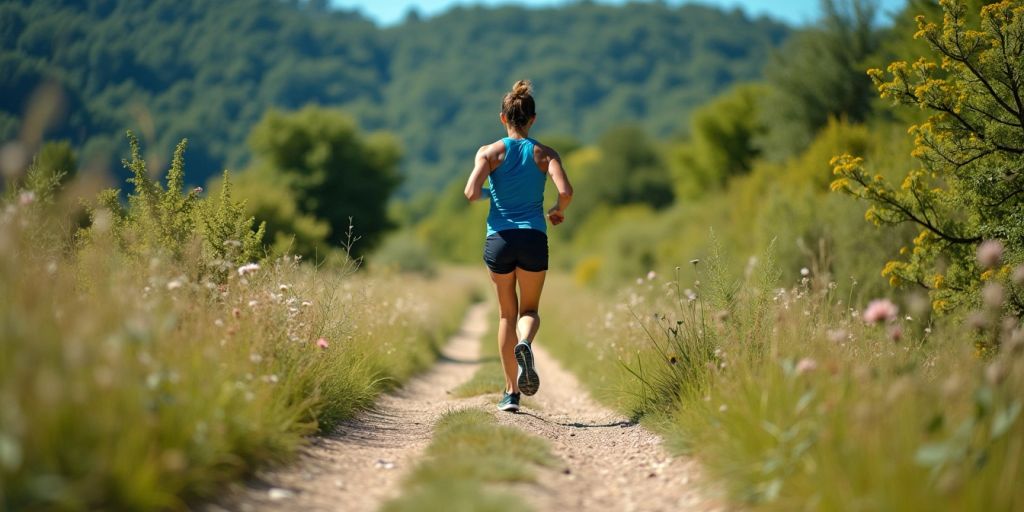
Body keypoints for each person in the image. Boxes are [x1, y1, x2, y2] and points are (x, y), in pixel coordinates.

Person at [464, 79, 573, 412]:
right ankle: (525, 343)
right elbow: (566, 192)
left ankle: (511, 393)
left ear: (502, 118)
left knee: (505, 315)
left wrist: (491, 196)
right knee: (529, 312)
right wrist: (556, 211)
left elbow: (470, 193)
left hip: (499, 240)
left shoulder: (489, 152)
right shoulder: (545, 154)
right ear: (533, 119)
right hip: (533, 238)